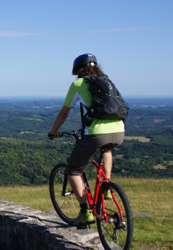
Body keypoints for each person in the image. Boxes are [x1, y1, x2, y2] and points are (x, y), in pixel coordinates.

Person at [48, 53, 125, 226]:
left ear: (78, 70)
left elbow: (64, 112)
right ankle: (106, 187)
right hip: (119, 130)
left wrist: (54, 131)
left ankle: (85, 211)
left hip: (96, 134)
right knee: (106, 150)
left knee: (73, 170)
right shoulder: (107, 82)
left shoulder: (78, 84)